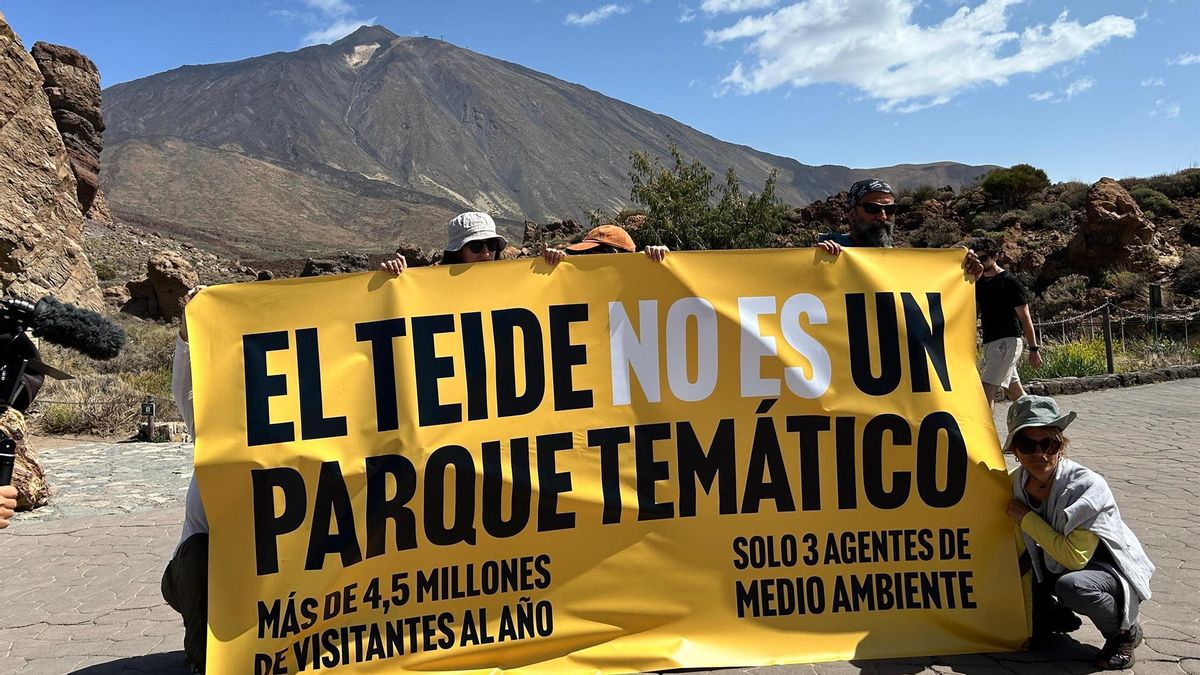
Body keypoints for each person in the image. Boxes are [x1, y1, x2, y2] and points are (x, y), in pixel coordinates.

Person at [1004, 395, 1153, 670]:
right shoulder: (1015, 482)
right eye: (1027, 444)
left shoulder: (1087, 487)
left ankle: (1124, 633)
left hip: (1103, 570)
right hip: (1052, 563)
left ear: (1061, 446)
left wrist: (1027, 518)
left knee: (1073, 587)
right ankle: (1053, 616)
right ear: (1015, 450)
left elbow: (1074, 559)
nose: (1040, 454)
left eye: (1049, 443)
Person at [161, 284, 209, 672]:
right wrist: (188, 329)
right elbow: (185, 388)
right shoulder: (215, 425)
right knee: (199, 557)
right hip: (199, 568)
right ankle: (200, 656)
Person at [814, 178, 983, 276]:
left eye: (890, 209)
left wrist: (963, 273)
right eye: (872, 208)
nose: (882, 216)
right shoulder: (829, 251)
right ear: (852, 213)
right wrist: (815, 263)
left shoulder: (905, 263)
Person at [971, 238, 1041, 408]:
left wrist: (1033, 349)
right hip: (990, 342)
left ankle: (985, 433)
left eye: (984, 258)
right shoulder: (979, 284)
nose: (980, 262)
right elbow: (975, 313)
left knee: (986, 389)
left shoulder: (1010, 282)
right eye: (977, 259)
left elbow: (1025, 317)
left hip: (1007, 342)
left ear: (995, 256)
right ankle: (1045, 423)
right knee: (1014, 392)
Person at [381, 211, 507, 274]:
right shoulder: (435, 287)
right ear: (459, 252)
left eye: (491, 245)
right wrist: (400, 279)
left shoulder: (510, 281)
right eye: (476, 246)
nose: (486, 254)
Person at [541, 223, 668, 264]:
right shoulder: (579, 281)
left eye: (599, 253)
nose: (588, 258)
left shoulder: (640, 277)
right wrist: (551, 261)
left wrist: (663, 257)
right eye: (586, 253)